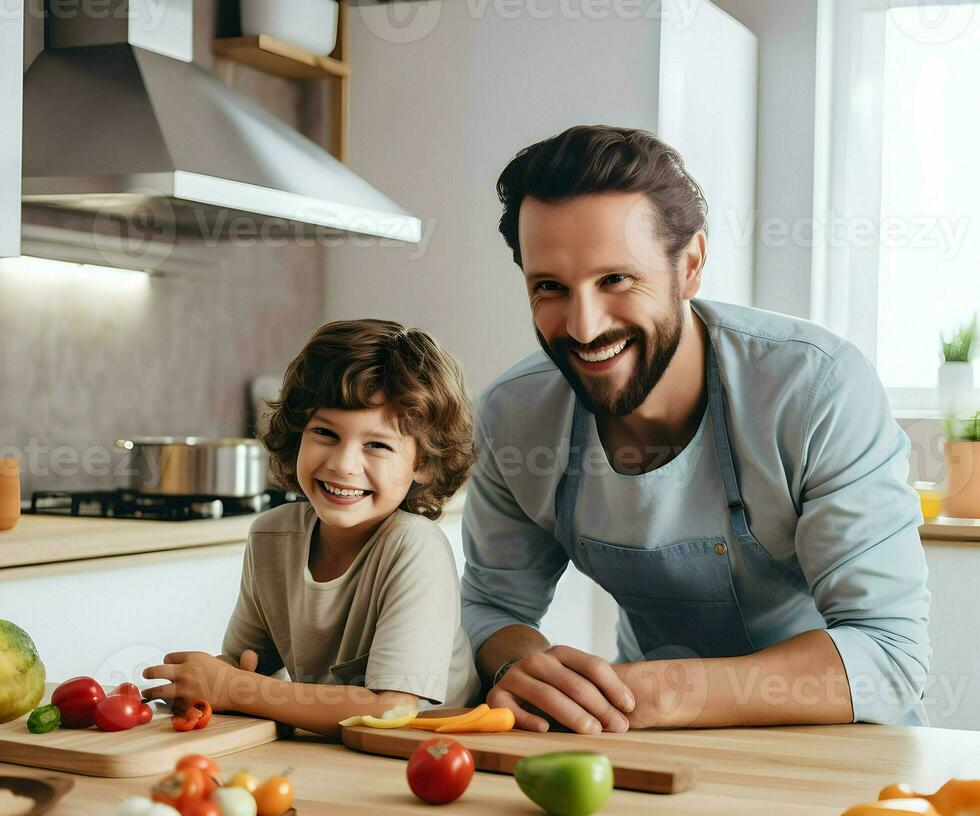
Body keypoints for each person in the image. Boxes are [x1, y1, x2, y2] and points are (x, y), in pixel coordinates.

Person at [462, 125, 931, 734]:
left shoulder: (816, 388)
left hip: (837, 746)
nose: (582, 326)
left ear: (690, 266)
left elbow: (888, 654)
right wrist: (522, 668)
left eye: (616, 280)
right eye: (550, 287)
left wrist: (655, 693)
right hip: (648, 743)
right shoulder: (513, 415)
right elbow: (494, 607)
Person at [143, 319, 481, 737]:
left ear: (424, 464)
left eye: (376, 445)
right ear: (297, 434)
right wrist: (206, 684)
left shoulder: (415, 547)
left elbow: (391, 710)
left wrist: (235, 688)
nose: (342, 464)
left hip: (427, 758)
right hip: (334, 752)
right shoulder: (271, 537)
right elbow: (242, 669)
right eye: (324, 432)